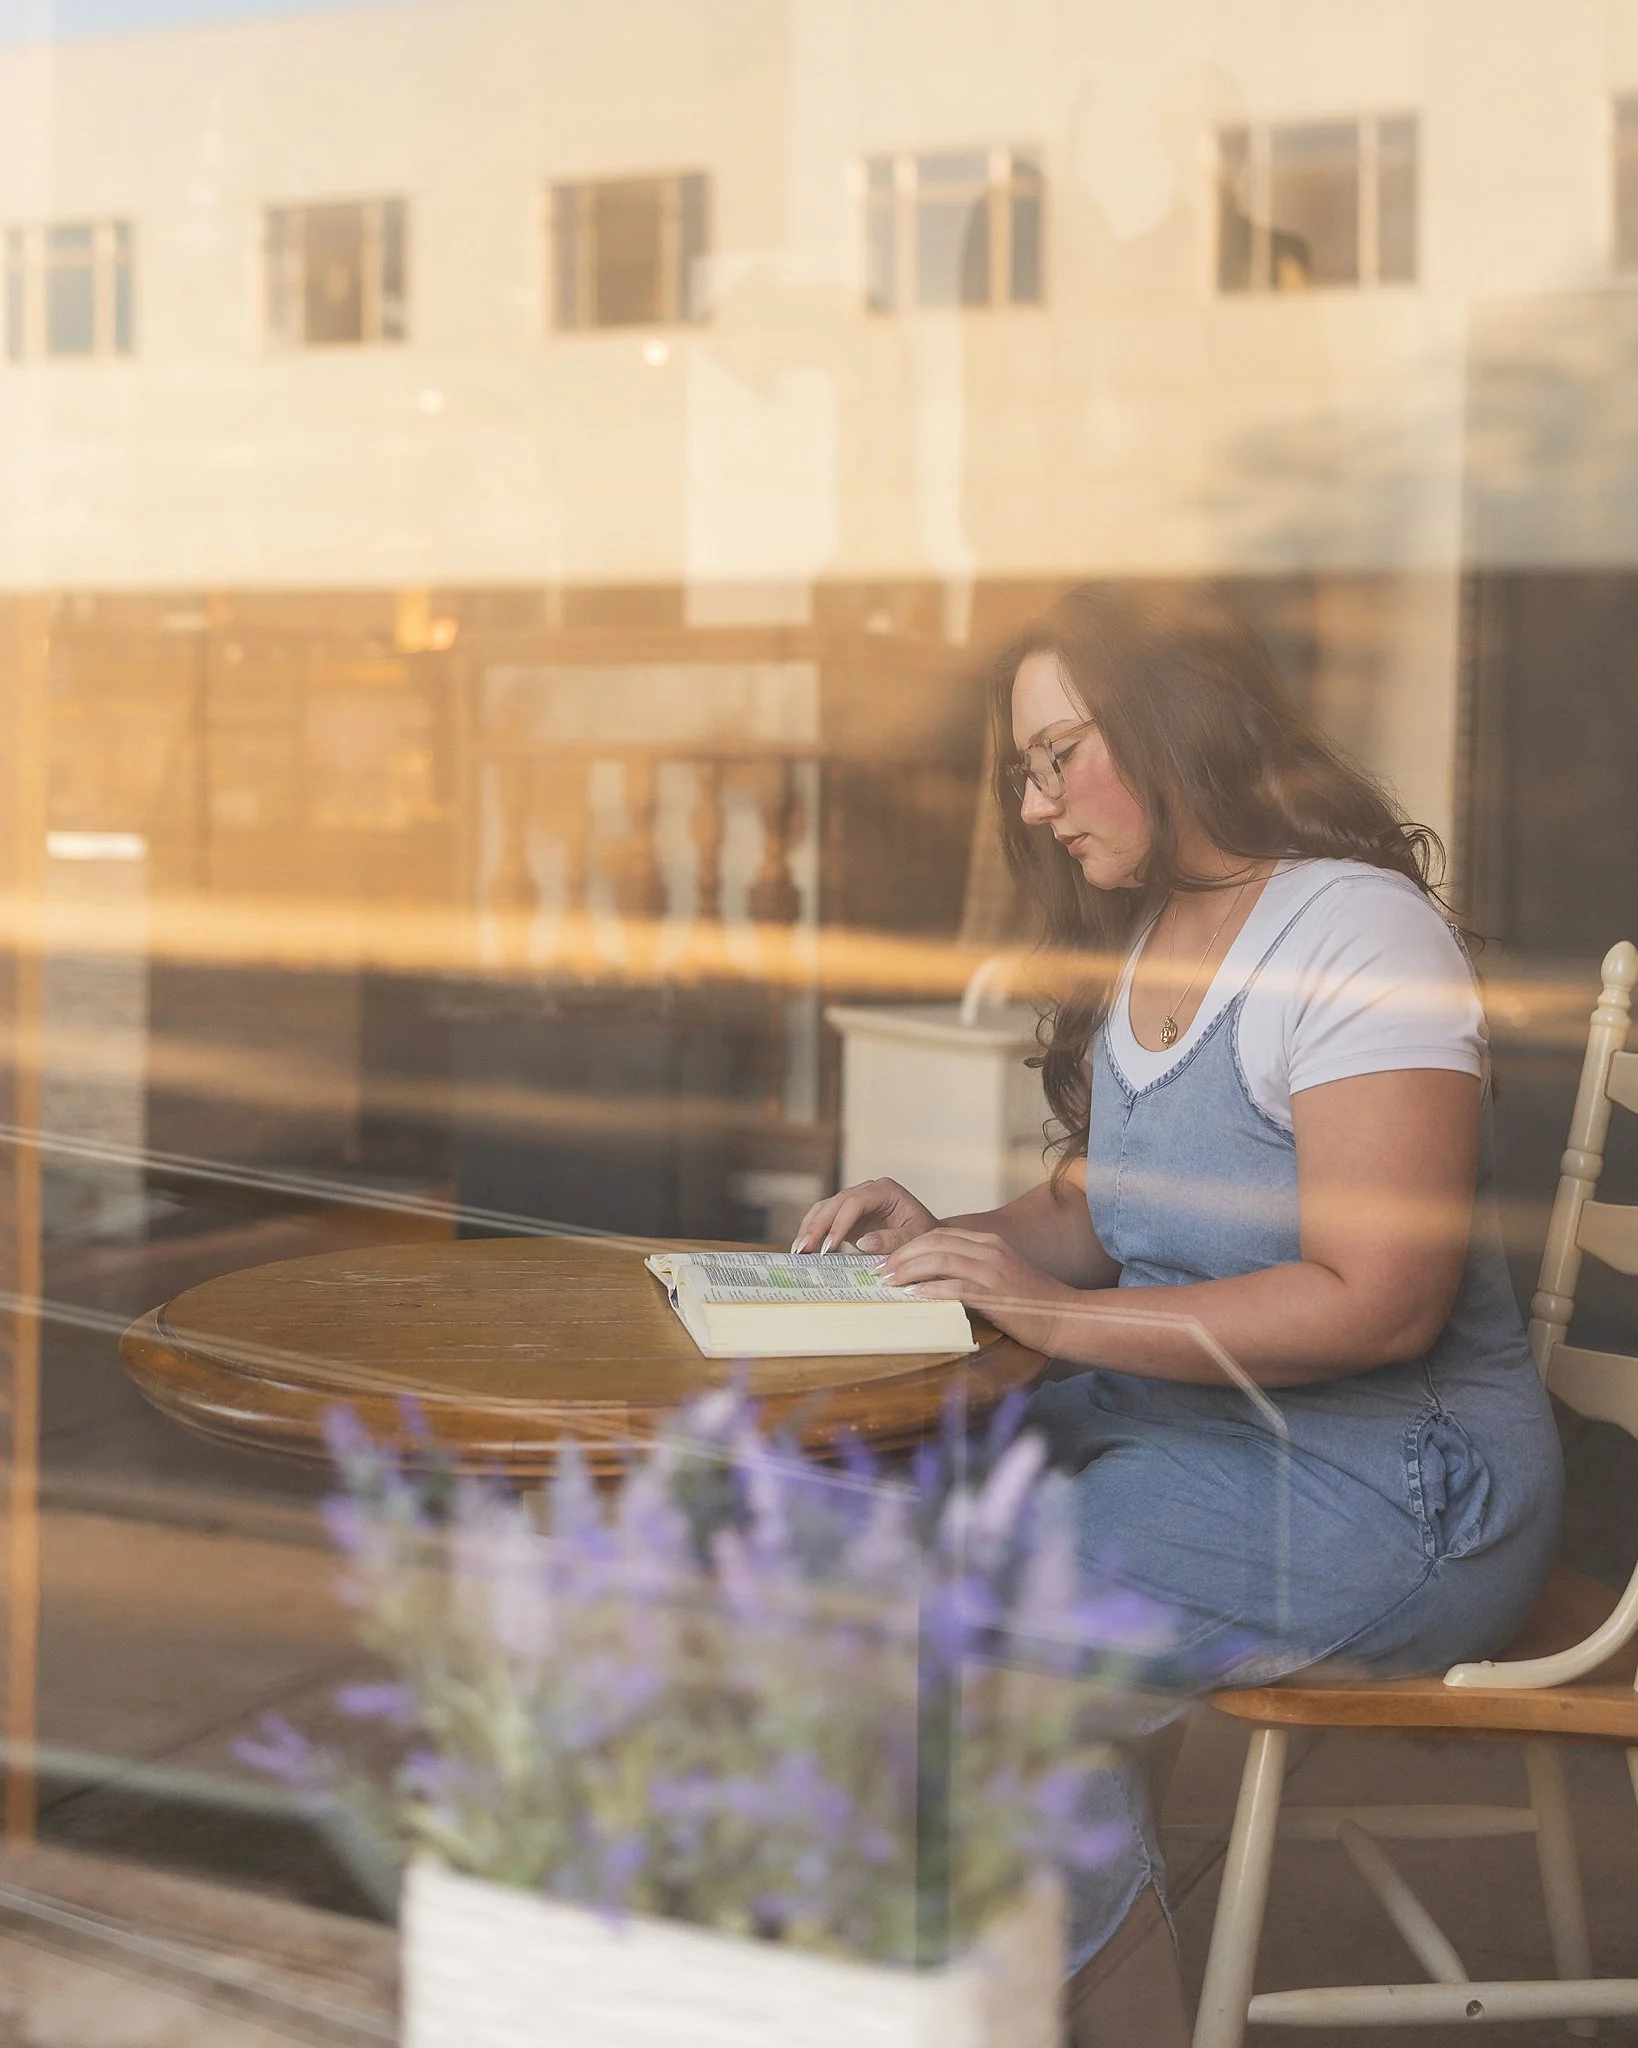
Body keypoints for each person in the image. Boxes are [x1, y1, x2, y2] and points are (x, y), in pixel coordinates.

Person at [794, 585, 1562, 2046]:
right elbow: (1092, 1212)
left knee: (990, 1624)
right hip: (1199, 1430)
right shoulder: (1157, 926)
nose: (1035, 806)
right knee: (850, 1522)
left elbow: (1378, 1302)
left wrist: (1048, 1321)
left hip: (1394, 1487)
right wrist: (948, 1237)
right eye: (1025, 769)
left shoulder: (1355, 933)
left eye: (1056, 756)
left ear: (1166, 728)